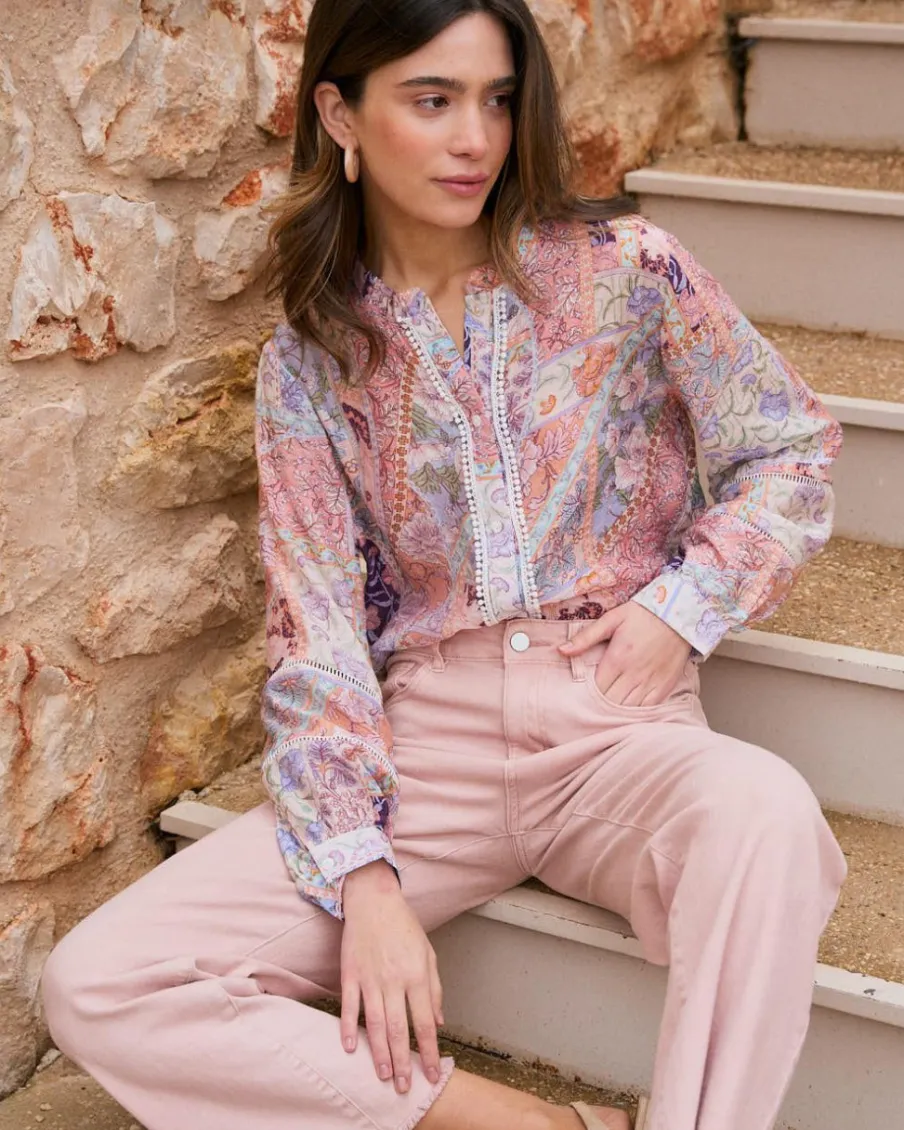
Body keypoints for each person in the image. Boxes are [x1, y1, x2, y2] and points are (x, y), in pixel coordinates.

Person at [40, 1, 848, 1128]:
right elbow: (316, 629)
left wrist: (684, 606)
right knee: (98, 982)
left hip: (615, 716)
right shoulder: (313, 360)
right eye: (432, 100)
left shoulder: (628, 272)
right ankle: (528, 1125)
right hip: (426, 750)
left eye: (496, 101)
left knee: (768, 816)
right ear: (340, 115)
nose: (475, 138)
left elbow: (790, 447)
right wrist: (365, 879)